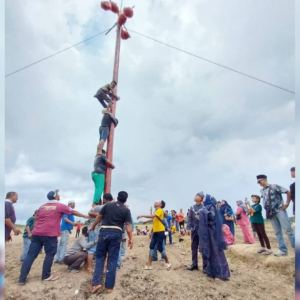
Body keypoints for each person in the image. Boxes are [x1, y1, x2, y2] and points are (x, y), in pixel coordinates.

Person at [18, 190, 90, 285]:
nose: (59, 195)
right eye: (58, 194)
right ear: (55, 196)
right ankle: (46, 276)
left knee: (31, 255)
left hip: (37, 233)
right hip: (49, 234)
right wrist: (84, 216)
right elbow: (73, 212)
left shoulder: (42, 206)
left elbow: (37, 218)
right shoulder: (60, 206)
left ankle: (22, 279)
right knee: (50, 254)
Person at [89, 191, 133, 294]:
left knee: (100, 257)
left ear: (117, 197)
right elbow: (128, 225)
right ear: (125, 200)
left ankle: (96, 284)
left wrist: (93, 226)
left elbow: (99, 217)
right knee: (112, 259)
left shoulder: (108, 205)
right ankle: (109, 287)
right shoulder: (126, 210)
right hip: (116, 234)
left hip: (104, 232)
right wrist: (130, 239)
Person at [257, 174, 295, 256]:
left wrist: (287, 204)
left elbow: (287, 192)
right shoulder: (261, 191)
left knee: (288, 230)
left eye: (259, 181)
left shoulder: (274, 186)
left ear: (264, 180)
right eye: (257, 182)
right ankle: (283, 250)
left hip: (279, 210)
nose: (258, 183)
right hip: (270, 213)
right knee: (277, 232)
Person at [198, 194, 230, 280]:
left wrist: (203, 212)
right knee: (210, 251)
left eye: (204, 197)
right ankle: (212, 272)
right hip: (208, 232)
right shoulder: (206, 207)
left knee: (215, 250)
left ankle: (222, 273)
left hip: (212, 232)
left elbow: (212, 217)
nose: (203, 198)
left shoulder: (210, 207)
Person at [137, 200, 171, 271]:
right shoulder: (156, 211)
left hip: (160, 231)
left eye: (157, 202)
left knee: (159, 247)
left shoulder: (160, 210)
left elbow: (153, 216)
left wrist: (142, 215)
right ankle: (149, 265)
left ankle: (167, 262)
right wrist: (147, 221)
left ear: (160, 205)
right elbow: (153, 218)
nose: (155, 203)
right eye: (155, 202)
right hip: (155, 231)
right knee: (152, 246)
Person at [86, 197, 109, 273]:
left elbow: (89, 213)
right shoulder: (102, 207)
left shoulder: (94, 208)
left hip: (92, 229)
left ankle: (87, 265)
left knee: (90, 248)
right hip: (96, 229)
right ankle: (89, 267)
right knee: (93, 248)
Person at [186, 192, 204, 271]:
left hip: (202, 230)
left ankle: (205, 266)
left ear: (200, 198)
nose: (194, 197)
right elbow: (190, 218)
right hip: (194, 230)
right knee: (193, 247)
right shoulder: (192, 207)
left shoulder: (204, 208)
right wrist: (188, 228)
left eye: (196, 196)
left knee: (203, 247)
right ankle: (194, 264)